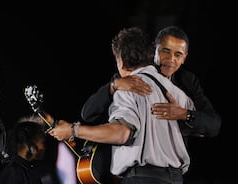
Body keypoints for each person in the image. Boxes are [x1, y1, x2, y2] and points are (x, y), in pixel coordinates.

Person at [50, 26, 195, 184]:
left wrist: (73, 130)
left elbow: (121, 133)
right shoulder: (179, 94)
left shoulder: (130, 87)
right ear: (151, 55)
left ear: (119, 60)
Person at [81, 25, 221, 139]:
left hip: (171, 162)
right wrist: (113, 86)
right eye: (165, 51)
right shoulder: (131, 75)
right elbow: (88, 114)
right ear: (155, 50)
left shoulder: (187, 81)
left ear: (185, 58)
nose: (171, 59)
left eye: (178, 54)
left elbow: (213, 125)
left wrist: (184, 114)